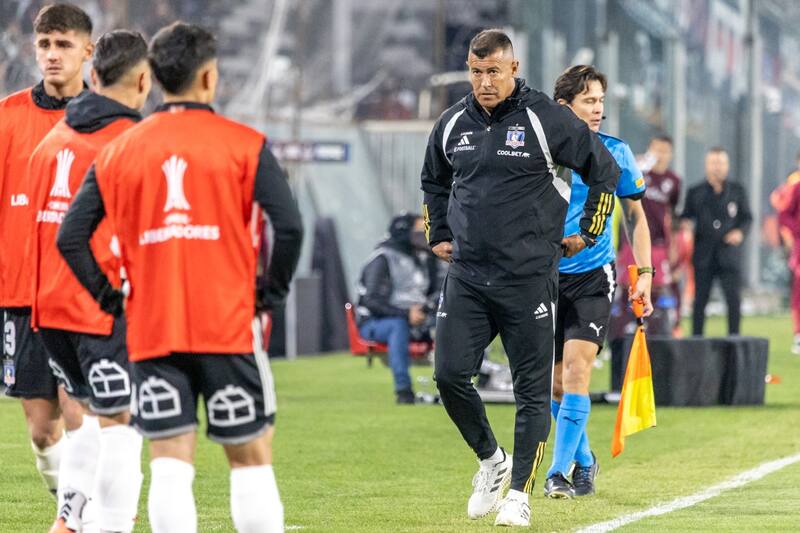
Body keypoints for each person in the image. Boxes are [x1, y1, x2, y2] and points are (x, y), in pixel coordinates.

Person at [58, 22, 304, 533]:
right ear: (210, 78)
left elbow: (71, 237)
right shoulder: (245, 143)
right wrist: (269, 294)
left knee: (170, 464)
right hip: (227, 326)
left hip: (152, 332)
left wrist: (111, 299)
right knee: (250, 458)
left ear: (155, 78)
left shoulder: (121, 150)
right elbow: (290, 226)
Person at [421, 30, 620, 527]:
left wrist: (589, 231)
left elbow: (605, 170)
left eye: (493, 71)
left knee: (533, 392)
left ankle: (518, 494)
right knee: (448, 375)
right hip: (466, 276)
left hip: (529, 278)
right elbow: (433, 180)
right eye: (475, 71)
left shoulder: (546, 118)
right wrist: (438, 231)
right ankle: (492, 461)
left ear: (513, 68)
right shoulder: (451, 124)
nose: (484, 81)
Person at [28, 29, 151, 533]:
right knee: (123, 426)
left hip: (49, 308)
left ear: (93, 76)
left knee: (84, 424)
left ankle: (69, 520)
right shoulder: (131, 144)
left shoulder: (50, 141)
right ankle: (112, 526)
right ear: (144, 80)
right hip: (102, 309)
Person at [544, 65, 653, 499]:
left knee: (577, 371)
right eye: (589, 101)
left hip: (594, 275)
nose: (598, 109)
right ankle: (585, 459)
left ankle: (557, 472)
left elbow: (637, 218)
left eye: (601, 101)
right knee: (554, 382)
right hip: (546, 276)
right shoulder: (542, 153)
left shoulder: (615, 152)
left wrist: (644, 273)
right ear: (564, 106)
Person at [0, 2, 92, 500]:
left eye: (63, 45)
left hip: (81, 297)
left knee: (81, 417)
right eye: (44, 45)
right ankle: (71, 509)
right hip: (20, 296)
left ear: (88, 50)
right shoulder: (6, 117)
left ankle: (88, 517)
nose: (52, 55)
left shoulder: (106, 120)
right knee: (42, 430)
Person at [356, 213, 437, 404]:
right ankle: (404, 391)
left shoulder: (422, 259)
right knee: (397, 325)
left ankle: (471, 381)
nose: (424, 233)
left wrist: (427, 309)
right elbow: (371, 301)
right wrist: (406, 314)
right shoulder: (382, 259)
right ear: (404, 231)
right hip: (375, 323)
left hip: (416, 318)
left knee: (451, 317)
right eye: (419, 229)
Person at [681, 147, 752, 336]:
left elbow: (747, 217)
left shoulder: (737, 191)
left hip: (729, 255)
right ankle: (696, 340)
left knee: (733, 300)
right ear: (706, 165)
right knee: (700, 301)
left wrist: (739, 232)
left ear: (727, 166)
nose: (717, 168)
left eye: (721, 163)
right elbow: (686, 216)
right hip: (704, 255)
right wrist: (685, 225)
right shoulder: (695, 192)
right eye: (713, 163)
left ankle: (734, 341)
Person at [616, 135, 682, 335]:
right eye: (656, 149)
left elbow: (671, 215)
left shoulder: (674, 181)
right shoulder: (638, 172)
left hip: (659, 244)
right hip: (633, 240)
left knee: (658, 285)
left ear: (670, 154)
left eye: (664, 151)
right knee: (628, 283)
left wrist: (673, 247)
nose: (659, 155)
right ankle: (622, 329)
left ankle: (655, 329)